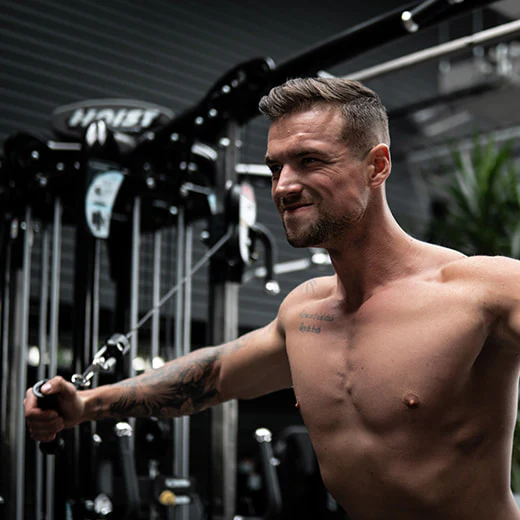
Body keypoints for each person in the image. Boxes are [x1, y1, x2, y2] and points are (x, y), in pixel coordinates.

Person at [25, 76, 520, 519]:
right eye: (275, 167)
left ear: (377, 166)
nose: (283, 186)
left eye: (309, 161)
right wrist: (85, 404)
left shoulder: (481, 290)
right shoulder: (304, 312)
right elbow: (214, 374)